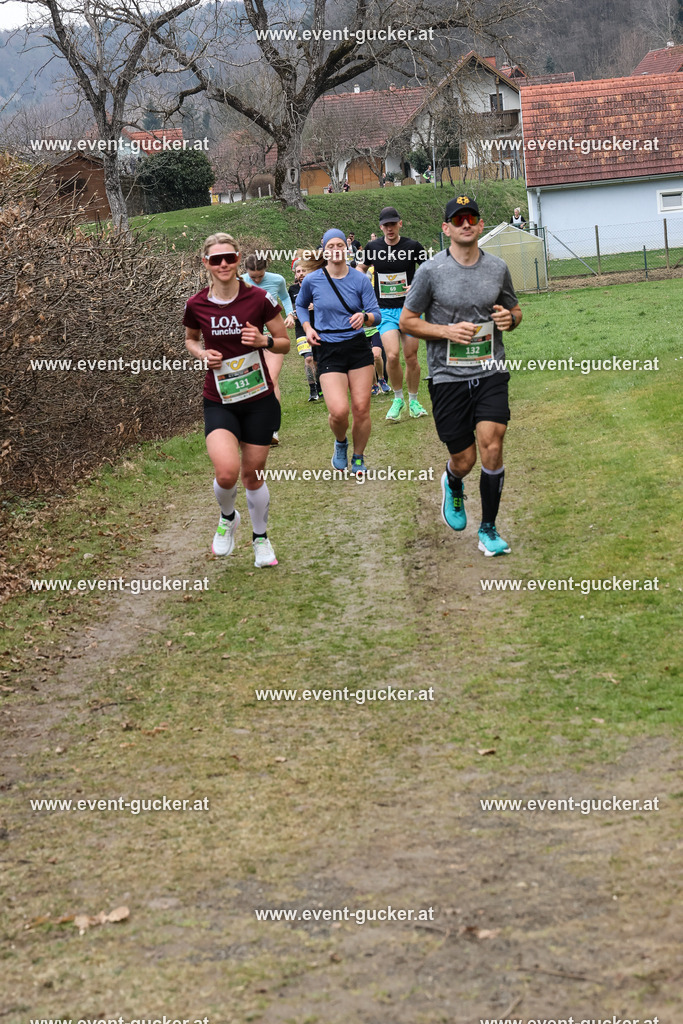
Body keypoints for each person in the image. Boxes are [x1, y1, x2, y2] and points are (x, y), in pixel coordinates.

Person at [400, 196, 522, 556]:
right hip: (447, 377)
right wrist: (446, 332)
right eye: (458, 219)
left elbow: (514, 310)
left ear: (481, 225)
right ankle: (453, 481)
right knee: (466, 459)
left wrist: (509, 321)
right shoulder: (430, 272)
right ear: (446, 228)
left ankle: (488, 528)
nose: (465, 224)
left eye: (471, 218)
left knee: (493, 444)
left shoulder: (498, 268)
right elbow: (408, 321)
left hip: (490, 370)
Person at [183, 232, 290, 568]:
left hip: (258, 399)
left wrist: (264, 340)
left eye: (229, 257)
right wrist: (201, 354)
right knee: (226, 473)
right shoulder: (196, 304)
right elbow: (190, 340)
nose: (224, 264)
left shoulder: (259, 299)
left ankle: (261, 539)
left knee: (252, 475)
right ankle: (228, 517)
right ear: (206, 264)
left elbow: (285, 342)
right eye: (216, 259)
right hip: (219, 399)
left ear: (238, 258)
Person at [295, 229, 381, 475]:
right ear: (324, 249)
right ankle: (341, 442)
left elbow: (377, 315)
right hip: (328, 348)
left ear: (347, 248)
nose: (335, 249)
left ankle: (358, 457)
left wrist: (364, 317)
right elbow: (301, 305)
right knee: (339, 411)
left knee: (362, 408)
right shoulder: (313, 280)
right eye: (330, 245)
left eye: (339, 245)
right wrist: (308, 327)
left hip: (357, 347)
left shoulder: (360, 279)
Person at [357, 206, 430, 422]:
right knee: (391, 355)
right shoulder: (373, 247)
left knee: (411, 356)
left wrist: (416, 284)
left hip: (409, 309)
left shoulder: (413, 246)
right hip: (385, 310)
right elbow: (360, 268)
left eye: (393, 224)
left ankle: (414, 401)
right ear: (381, 227)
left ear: (400, 223)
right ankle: (398, 399)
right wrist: (364, 287)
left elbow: (428, 270)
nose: (390, 228)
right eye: (386, 225)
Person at [243, 255, 295, 445]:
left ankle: (272, 429)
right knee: (251, 383)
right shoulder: (239, 282)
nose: (256, 280)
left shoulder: (277, 280)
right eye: (253, 277)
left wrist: (290, 314)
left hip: (273, 336)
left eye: (260, 276)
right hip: (247, 339)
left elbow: (285, 297)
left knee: (271, 380)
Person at [288, 259, 320, 402]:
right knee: (308, 358)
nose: (301, 274)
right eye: (298, 271)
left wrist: (316, 306)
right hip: (301, 329)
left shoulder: (317, 285)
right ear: (295, 274)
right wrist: (292, 314)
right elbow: (289, 309)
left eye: (303, 271)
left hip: (318, 327)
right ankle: (312, 390)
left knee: (318, 360)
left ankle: (321, 386)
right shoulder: (292, 290)